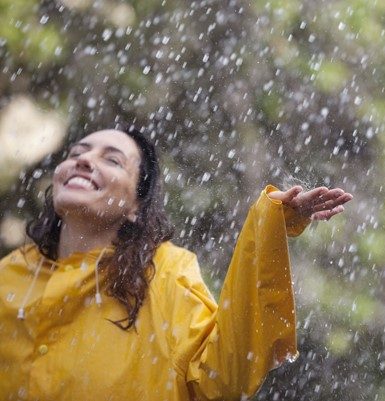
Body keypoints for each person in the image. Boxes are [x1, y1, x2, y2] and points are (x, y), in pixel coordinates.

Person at [0, 126, 353, 401]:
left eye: (112, 160)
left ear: (136, 207)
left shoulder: (165, 273)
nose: (83, 160)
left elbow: (225, 377)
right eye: (77, 152)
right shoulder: (10, 274)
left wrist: (269, 223)